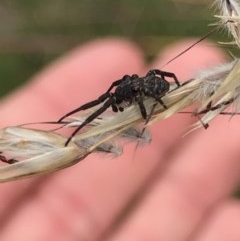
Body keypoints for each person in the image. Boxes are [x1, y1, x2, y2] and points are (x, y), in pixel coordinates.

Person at [0, 38, 239, 241]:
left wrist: (162, 102)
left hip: (154, 88)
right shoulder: (125, 89)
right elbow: (120, 90)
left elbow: (142, 101)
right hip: (149, 84)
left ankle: (74, 127)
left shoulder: (136, 92)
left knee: (104, 103)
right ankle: (72, 122)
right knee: (103, 100)